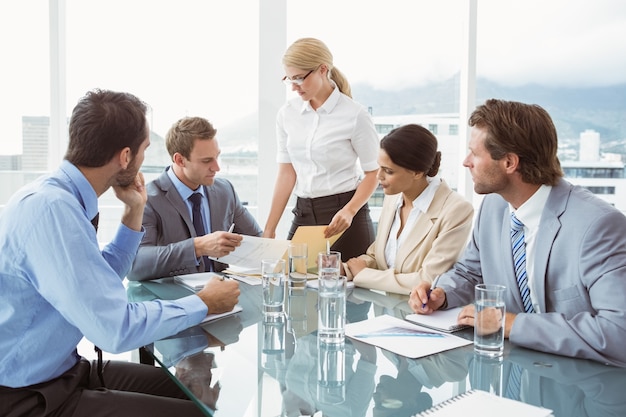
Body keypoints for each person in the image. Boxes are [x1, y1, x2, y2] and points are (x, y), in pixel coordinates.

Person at [0, 89, 240, 417]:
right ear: (125, 157)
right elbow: (115, 329)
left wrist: (133, 211)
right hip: (31, 397)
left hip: (65, 371)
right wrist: (203, 303)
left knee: (194, 391)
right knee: (197, 413)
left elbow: (99, 282)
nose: (144, 161)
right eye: (144, 151)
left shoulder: (57, 197)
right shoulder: (53, 210)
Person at [410, 98, 626, 367]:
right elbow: (471, 272)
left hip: (584, 389)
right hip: (514, 370)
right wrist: (442, 294)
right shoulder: (493, 207)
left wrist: (509, 323)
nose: (466, 162)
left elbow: (619, 333)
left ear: (510, 163)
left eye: (475, 154)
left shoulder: (598, 226)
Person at [263, 37, 379, 261]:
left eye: (299, 78)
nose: (294, 87)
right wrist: (269, 228)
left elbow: (374, 173)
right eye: (289, 79)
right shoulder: (287, 114)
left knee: (352, 292)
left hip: (345, 216)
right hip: (304, 213)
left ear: (323, 69)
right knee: (295, 288)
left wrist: (350, 210)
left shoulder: (355, 114)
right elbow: (287, 173)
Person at [342, 124, 474, 294]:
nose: (378, 176)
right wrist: (344, 269)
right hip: (385, 311)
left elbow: (428, 280)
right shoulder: (393, 197)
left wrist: (364, 275)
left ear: (417, 172)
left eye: (388, 171)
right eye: (379, 167)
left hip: (422, 315)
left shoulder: (456, 210)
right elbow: (378, 257)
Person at [128, 116, 262, 281]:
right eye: (207, 161)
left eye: (217, 157)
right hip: (174, 300)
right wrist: (198, 247)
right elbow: (136, 265)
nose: (217, 167)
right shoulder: (148, 199)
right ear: (180, 160)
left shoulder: (225, 191)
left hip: (224, 294)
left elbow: (258, 242)